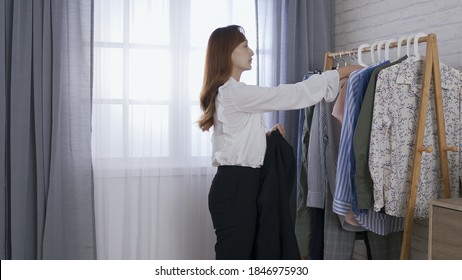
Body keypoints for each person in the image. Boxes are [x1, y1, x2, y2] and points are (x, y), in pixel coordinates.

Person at [198, 25, 360, 260]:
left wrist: (264, 137)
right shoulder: (235, 92)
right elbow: (290, 94)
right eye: (244, 46)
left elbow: (233, 140)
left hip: (241, 184)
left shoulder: (230, 94)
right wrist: (341, 73)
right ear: (228, 53)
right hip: (237, 187)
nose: (251, 51)